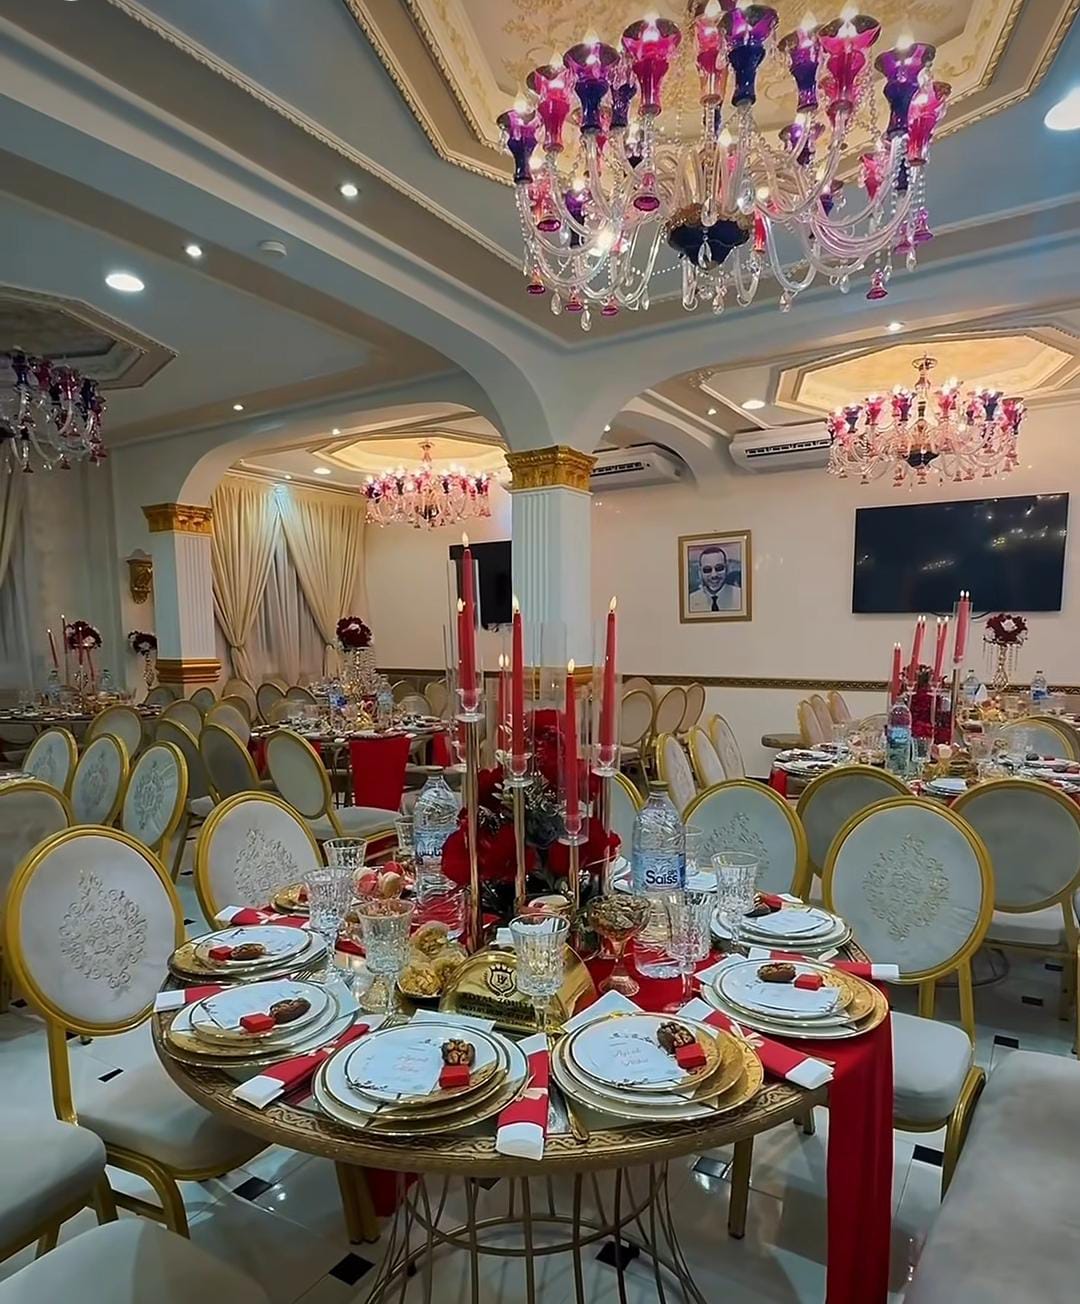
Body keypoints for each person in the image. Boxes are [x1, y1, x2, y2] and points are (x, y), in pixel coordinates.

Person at [687, 544, 742, 613]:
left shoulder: (741, 597)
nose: (714, 575)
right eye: (707, 570)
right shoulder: (690, 601)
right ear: (700, 572)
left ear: (727, 568)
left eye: (719, 568)